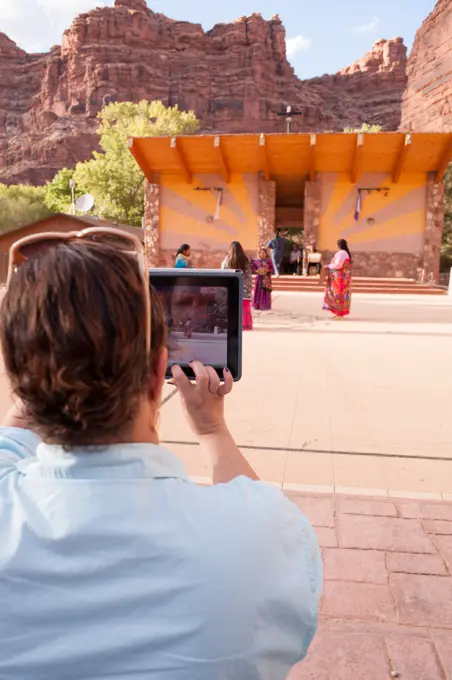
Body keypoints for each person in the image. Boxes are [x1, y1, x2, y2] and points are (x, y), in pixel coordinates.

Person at [0, 230, 321, 680]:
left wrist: (45, 366)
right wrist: (212, 429)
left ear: (19, 381)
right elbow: (254, 502)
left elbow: (8, 442)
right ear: (157, 374)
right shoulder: (263, 538)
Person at [221, 240, 253, 330]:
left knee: (233, 306)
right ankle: (245, 325)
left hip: (231, 286)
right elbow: (248, 275)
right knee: (244, 307)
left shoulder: (227, 259)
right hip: (244, 287)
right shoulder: (245, 259)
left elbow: (223, 271)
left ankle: (233, 324)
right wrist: (248, 287)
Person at [322, 238, 352, 318]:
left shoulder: (341, 253)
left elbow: (338, 264)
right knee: (339, 294)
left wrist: (328, 266)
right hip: (341, 276)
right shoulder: (345, 253)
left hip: (339, 277)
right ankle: (338, 313)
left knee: (338, 294)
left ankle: (339, 314)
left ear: (339, 245)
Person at [252, 247, 274, 311]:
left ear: (266, 254)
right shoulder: (256, 261)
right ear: (259, 254)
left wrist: (267, 270)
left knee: (265, 291)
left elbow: (272, 269)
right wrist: (257, 271)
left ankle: (265, 305)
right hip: (259, 278)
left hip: (266, 278)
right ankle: (257, 305)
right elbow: (254, 268)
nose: (262, 254)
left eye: (264, 252)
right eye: (261, 252)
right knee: (258, 290)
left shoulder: (269, 261)